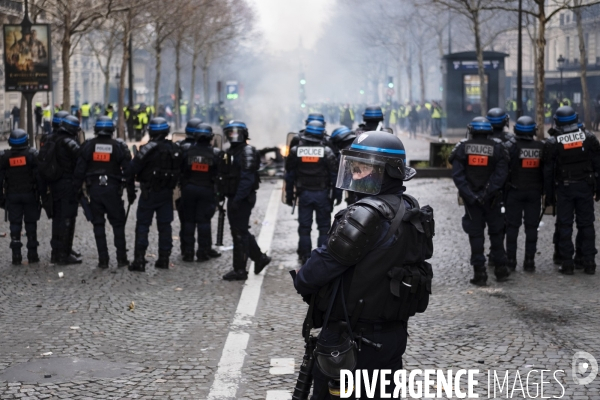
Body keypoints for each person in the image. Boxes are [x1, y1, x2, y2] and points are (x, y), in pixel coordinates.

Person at [292, 131, 432, 399]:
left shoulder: (365, 215)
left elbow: (311, 276)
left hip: (351, 339)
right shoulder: (410, 210)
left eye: (364, 168)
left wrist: (302, 275)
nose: (355, 175)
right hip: (392, 336)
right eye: (353, 167)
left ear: (389, 171)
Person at [450, 117, 510, 285]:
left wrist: (471, 195)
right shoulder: (498, 148)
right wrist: (488, 192)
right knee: (496, 233)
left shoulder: (462, 148)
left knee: (476, 235)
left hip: (472, 202)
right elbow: (501, 175)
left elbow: (458, 175)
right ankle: (500, 269)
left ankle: (480, 273)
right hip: (492, 200)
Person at [543, 106, 600, 275]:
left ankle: (567, 263)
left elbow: (547, 172)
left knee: (565, 224)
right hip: (585, 187)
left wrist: (549, 194)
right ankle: (589, 261)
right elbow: (598, 165)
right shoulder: (589, 137)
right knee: (586, 224)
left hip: (565, 188)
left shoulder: (553, 142)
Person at [73, 117, 135, 269]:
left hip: (95, 191)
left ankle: (103, 260)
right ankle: (121, 258)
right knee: (118, 225)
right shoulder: (119, 146)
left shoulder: (88, 146)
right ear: (112, 130)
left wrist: (76, 190)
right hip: (113, 191)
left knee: (98, 225)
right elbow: (128, 172)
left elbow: (79, 171)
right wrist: (131, 192)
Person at [219, 120, 271, 280]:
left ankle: (240, 270)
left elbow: (247, 179)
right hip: (233, 196)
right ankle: (259, 258)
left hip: (242, 198)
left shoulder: (247, 151)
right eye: (230, 133)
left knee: (239, 233)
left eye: (236, 133)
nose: (233, 136)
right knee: (239, 232)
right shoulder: (231, 152)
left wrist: (238, 199)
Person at [129, 117, 182, 272]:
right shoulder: (175, 149)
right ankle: (164, 259)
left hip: (148, 193)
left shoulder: (147, 149)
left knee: (143, 225)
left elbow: (132, 169)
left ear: (151, 131)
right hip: (166, 193)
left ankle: (139, 260)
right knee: (165, 226)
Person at [285, 120, 340, 264]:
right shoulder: (327, 152)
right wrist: (337, 195)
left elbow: (289, 175)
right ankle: (323, 256)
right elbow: (335, 176)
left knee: (304, 227)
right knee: (323, 227)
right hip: (322, 194)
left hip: (304, 194)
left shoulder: (296, 150)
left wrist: (289, 195)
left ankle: (304, 256)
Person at [179, 122, 222, 262]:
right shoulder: (215, 154)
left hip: (189, 189)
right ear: (210, 137)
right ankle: (202, 252)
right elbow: (219, 174)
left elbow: (181, 169)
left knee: (189, 221)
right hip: (206, 190)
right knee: (204, 222)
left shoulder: (187, 151)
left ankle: (188, 252)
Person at [505, 116, 544, 272]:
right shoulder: (541, 147)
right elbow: (546, 171)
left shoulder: (509, 147)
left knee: (512, 228)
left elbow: (504, 172)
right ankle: (529, 261)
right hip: (534, 193)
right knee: (532, 228)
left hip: (514, 192)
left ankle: (511, 261)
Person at [0, 129, 44, 264]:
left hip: (12, 196)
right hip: (30, 194)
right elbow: (39, 178)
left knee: (15, 224)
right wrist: (43, 195)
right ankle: (32, 255)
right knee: (31, 223)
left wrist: (2, 199)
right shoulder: (32, 155)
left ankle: (16, 256)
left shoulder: (4, 157)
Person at [48, 115, 83, 265]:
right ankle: (64, 254)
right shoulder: (69, 142)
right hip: (67, 185)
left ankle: (56, 252)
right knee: (67, 219)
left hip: (55, 185)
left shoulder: (52, 139)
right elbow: (81, 158)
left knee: (57, 219)